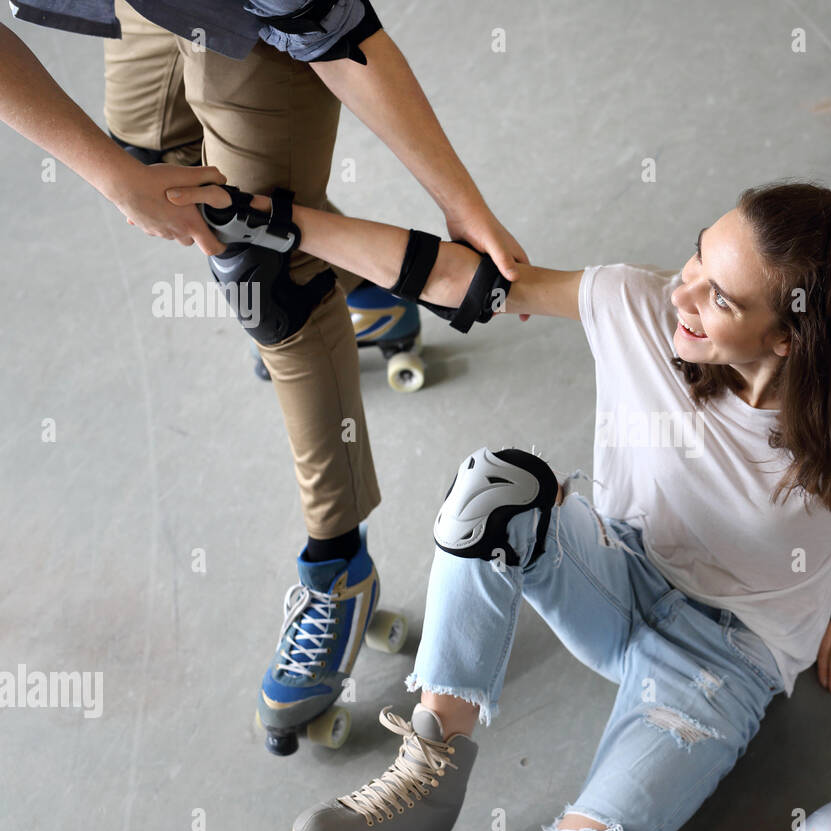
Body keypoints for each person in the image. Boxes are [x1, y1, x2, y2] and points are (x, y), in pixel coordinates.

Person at [180, 176, 831, 831]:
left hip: (730, 661)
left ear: (789, 336)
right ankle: (427, 780)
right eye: (697, 260)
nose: (682, 293)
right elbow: (455, 276)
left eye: (720, 299)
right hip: (613, 570)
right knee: (495, 487)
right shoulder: (635, 304)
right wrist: (266, 220)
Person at [2, 1, 531, 756]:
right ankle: (361, 294)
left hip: (249, 14)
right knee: (157, 162)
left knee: (265, 272)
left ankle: (339, 568)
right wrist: (113, 174)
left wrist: (461, 206)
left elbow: (345, 43)